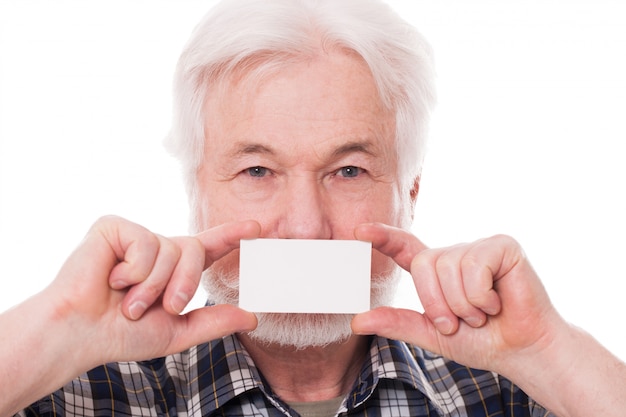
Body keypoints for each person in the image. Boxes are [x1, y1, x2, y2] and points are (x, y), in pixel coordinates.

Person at [1, 0, 625, 415]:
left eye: (348, 170)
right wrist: (54, 325)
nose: (304, 227)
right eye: (257, 171)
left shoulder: (513, 390)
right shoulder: (83, 390)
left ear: (409, 195)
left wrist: (549, 351)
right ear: (196, 195)